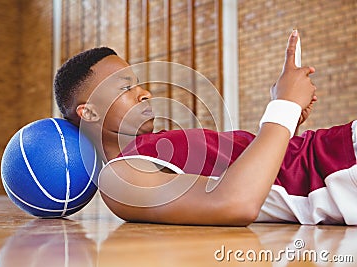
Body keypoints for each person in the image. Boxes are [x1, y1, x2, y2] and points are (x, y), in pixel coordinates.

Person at [54, 30, 357, 226]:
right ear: (89, 111)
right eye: (125, 87)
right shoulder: (119, 177)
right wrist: (284, 107)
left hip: (337, 151)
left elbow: (251, 176)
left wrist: (285, 129)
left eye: (139, 83)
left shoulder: (160, 148)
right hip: (341, 168)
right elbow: (234, 203)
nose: (144, 93)